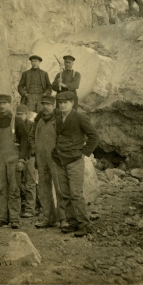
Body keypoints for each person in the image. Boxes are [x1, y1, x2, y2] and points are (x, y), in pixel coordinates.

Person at [52, 91, 99, 237]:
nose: (62, 105)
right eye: (60, 103)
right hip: (60, 160)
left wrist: (84, 152)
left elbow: (94, 136)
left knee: (76, 193)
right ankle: (72, 222)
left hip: (74, 160)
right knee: (65, 193)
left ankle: (84, 224)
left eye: (65, 102)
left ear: (72, 103)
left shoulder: (79, 117)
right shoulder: (59, 118)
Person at [0, 95, 31, 229]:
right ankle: (2, 218)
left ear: (10, 104)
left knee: (14, 189)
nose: (2, 106)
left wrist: (22, 159)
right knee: (0, 189)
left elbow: (25, 141)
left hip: (13, 160)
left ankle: (14, 218)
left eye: (4, 103)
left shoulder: (16, 121)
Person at [29, 95, 65, 229]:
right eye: (43, 104)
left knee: (60, 188)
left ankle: (63, 219)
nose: (45, 106)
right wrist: (35, 148)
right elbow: (31, 136)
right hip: (41, 159)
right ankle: (48, 218)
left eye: (48, 104)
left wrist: (60, 151)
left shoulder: (59, 119)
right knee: (43, 189)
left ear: (53, 105)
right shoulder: (38, 120)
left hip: (56, 159)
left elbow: (65, 136)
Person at [15, 104, 37, 219]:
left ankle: (30, 208)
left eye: (21, 114)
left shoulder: (32, 126)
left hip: (29, 157)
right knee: (17, 183)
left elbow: (32, 141)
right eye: (17, 114)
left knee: (30, 182)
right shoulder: (13, 124)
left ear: (26, 114)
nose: (19, 116)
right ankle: (16, 208)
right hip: (16, 156)